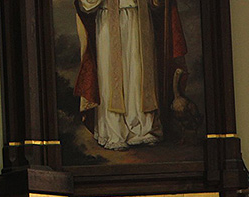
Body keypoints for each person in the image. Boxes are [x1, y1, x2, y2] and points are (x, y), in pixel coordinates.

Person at [74, 0, 188, 150]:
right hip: (108, 18)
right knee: (110, 78)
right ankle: (115, 132)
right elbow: (86, 5)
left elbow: (157, 4)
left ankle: (145, 129)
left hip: (139, 19)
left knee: (138, 75)